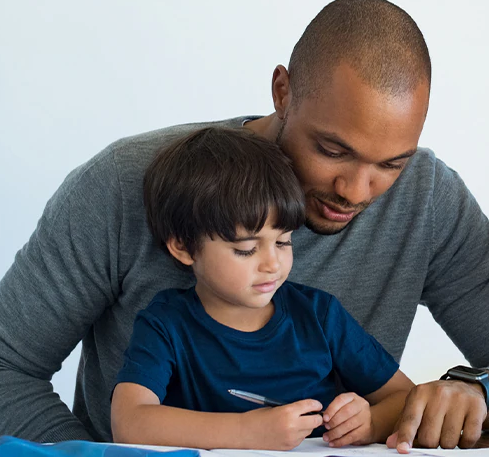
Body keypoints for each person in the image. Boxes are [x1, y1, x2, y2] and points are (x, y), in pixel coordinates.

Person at [0, 0, 489, 450]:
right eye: (332, 151)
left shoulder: (428, 198)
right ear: (283, 91)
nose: (357, 191)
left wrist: (481, 391)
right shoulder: (126, 184)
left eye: (391, 163)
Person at [110, 127, 414, 451]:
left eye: (283, 241)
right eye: (246, 248)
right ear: (184, 247)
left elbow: (405, 397)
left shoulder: (319, 316)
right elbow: (129, 422)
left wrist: (371, 422)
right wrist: (246, 431)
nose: (272, 264)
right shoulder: (165, 325)